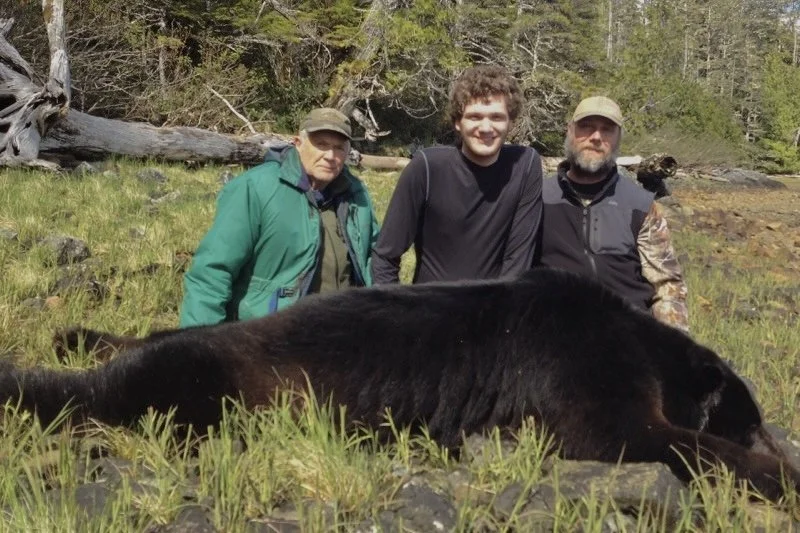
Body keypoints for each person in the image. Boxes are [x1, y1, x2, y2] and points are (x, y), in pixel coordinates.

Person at [179, 107, 380, 327]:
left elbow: (375, 261)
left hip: (341, 334)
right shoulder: (255, 188)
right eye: (321, 144)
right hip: (270, 335)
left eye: (339, 148)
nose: (330, 156)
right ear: (298, 143)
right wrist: (199, 349)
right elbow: (211, 272)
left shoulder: (355, 193)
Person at [371, 65, 543, 284]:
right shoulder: (427, 168)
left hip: (493, 309)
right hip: (431, 309)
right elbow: (385, 257)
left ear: (511, 122)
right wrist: (396, 315)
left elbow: (517, 262)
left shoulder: (525, 166)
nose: (486, 127)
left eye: (497, 117)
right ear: (457, 122)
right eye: (474, 117)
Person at [536, 96, 689, 332]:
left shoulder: (640, 205)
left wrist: (674, 351)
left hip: (627, 339)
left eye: (606, 130)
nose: (596, 137)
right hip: (555, 338)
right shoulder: (538, 198)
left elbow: (667, 287)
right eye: (586, 127)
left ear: (618, 138)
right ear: (570, 131)